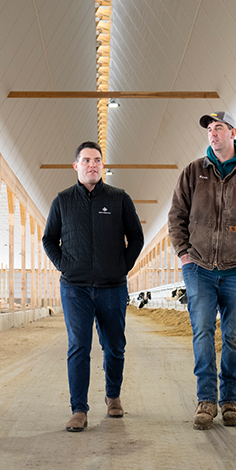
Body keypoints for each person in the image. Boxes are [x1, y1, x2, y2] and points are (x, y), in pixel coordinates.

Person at [168, 111, 236, 430]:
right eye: (209, 130)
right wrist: (185, 255)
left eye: (218, 128)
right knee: (202, 332)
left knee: (233, 335)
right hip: (199, 268)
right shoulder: (193, 172)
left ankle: (230, 400)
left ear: (232, 132)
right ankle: (206, 400)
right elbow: (176, 216)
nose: (212, 134)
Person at [42, 141, 144, 432]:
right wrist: (65, 265)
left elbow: (136, 237)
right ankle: (79, 409)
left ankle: (113, 396)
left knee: (114, 346)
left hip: (112, 287)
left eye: (97, 160)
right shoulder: (62, 201)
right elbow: (49, 239)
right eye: (86, 160)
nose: (92, 165)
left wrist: (122, 267)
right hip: (75, 288)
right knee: (79, 346)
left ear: (102, 165)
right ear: (76, 165)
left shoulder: (119, 199)